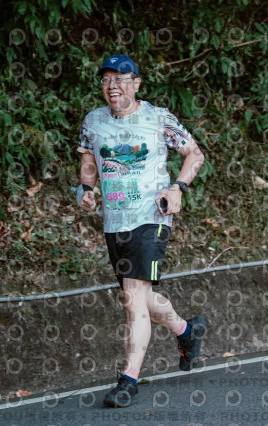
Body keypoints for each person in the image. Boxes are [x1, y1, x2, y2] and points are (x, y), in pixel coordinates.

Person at [74, 54, 206, 407]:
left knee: (133, 298)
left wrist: (178, 188)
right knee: (140, 296)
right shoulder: (93, 121)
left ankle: (128, 380)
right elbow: (88, 161)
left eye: (120, 79)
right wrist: (86, 189)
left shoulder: (158, 118)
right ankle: (187, 331)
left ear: (136, 83)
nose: (112, 86)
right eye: (106, 80)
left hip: (151, 216)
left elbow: (194, 154)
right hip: (114, 221)